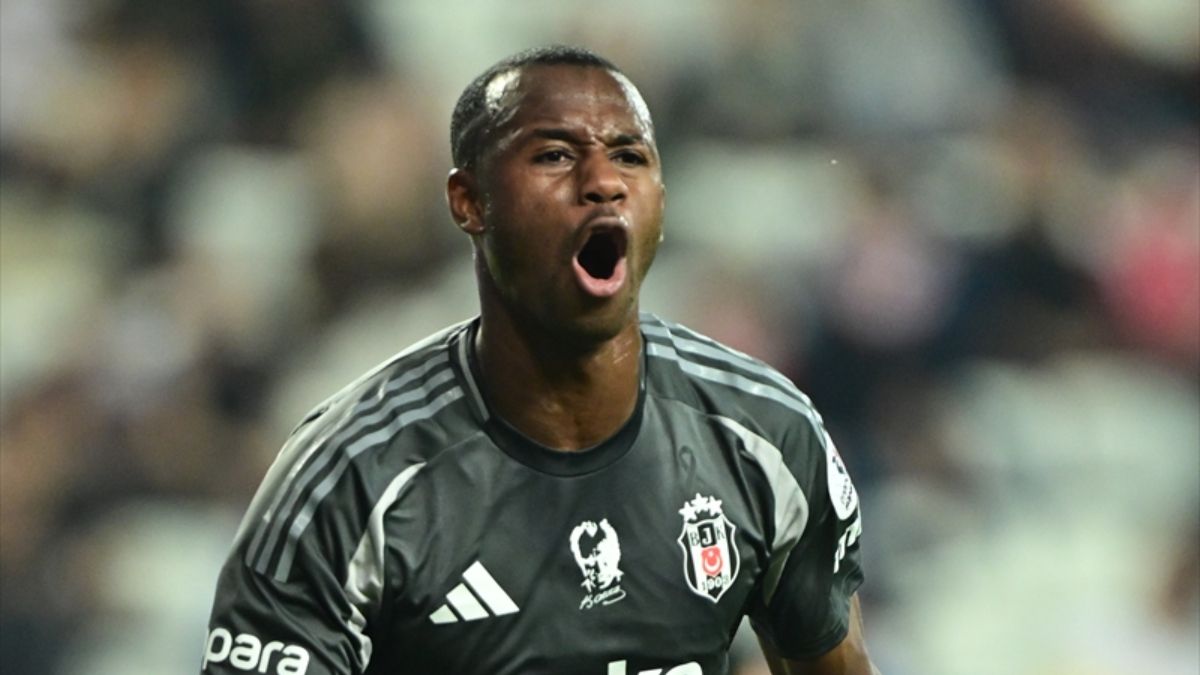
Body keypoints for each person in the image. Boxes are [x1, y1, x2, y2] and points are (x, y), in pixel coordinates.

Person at [202, 45, 878, 675]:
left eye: (629, 157)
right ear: (469, 201)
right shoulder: (351, 476)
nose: (603, 182)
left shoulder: (763, 435)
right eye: (555, 155)